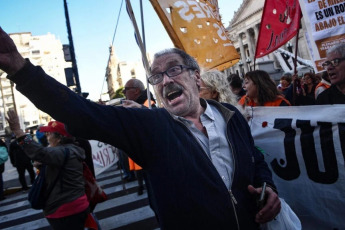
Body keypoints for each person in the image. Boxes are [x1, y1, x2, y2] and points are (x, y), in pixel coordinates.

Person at [0, 27, 280, 229]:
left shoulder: (230, 114)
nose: (164, 80)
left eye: (173, 69)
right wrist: (20, 68)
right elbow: (82, 113)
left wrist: (268, 188)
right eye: (155, 76)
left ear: (196, 77)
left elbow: (256, 161)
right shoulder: (151, 126)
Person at [6, 114, 90, 230]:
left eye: (49, 133)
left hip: (65, 209)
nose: (46, 136)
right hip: (76, 205)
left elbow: (39, 152)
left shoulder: (62, 152)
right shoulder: (69, 151)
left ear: (59, 138)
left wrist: (19, 132)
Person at [122, 78, 156, 195]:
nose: (124, 93)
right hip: (142, 157)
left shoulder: (148, 105)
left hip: (152, 160)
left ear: (136, 91)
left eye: (125, 90)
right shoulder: (137, 106)